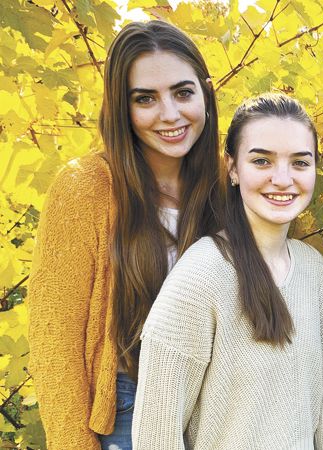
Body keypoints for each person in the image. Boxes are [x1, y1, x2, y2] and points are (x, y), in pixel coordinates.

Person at [26, 20, 221, 450]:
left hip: (223, 410)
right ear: (122, 107)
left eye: (183, 92)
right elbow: (54, 338)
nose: (169, 114)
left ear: (206, 92)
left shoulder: (231, 185)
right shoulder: (85, 187)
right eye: (145, 99)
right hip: (127, 410)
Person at [132, 93, 323, 449]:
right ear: (233, 168)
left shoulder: (313, 270)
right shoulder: (202, 275)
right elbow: (155, 437)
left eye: (299, 163)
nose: (283, 179)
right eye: (262, 161)